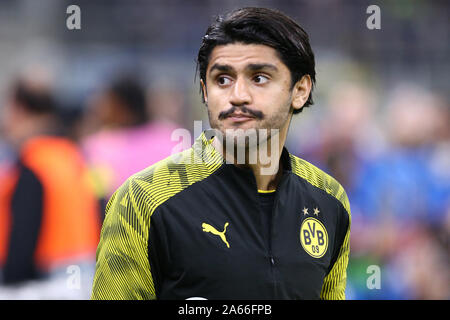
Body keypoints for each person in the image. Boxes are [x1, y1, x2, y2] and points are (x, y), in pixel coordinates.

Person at [91, 7, 351, 300]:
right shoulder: (142, 199)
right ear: (205, 91)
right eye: (223, 79)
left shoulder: (329, 199)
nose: (238, 95)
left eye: (259, 78)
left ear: (300, 90)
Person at [0, 77, 101, 298]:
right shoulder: (74, 157)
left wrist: (8, 286)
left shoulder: (34, 164)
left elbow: (22, 240)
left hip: (40, 285)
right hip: (82, 281)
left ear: (20, 111)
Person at [80, 76, 181, 212]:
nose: (101, 110)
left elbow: (95, 196)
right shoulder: (173, 137)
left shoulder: (98, 147)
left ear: (122, 107)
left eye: (107, 104)